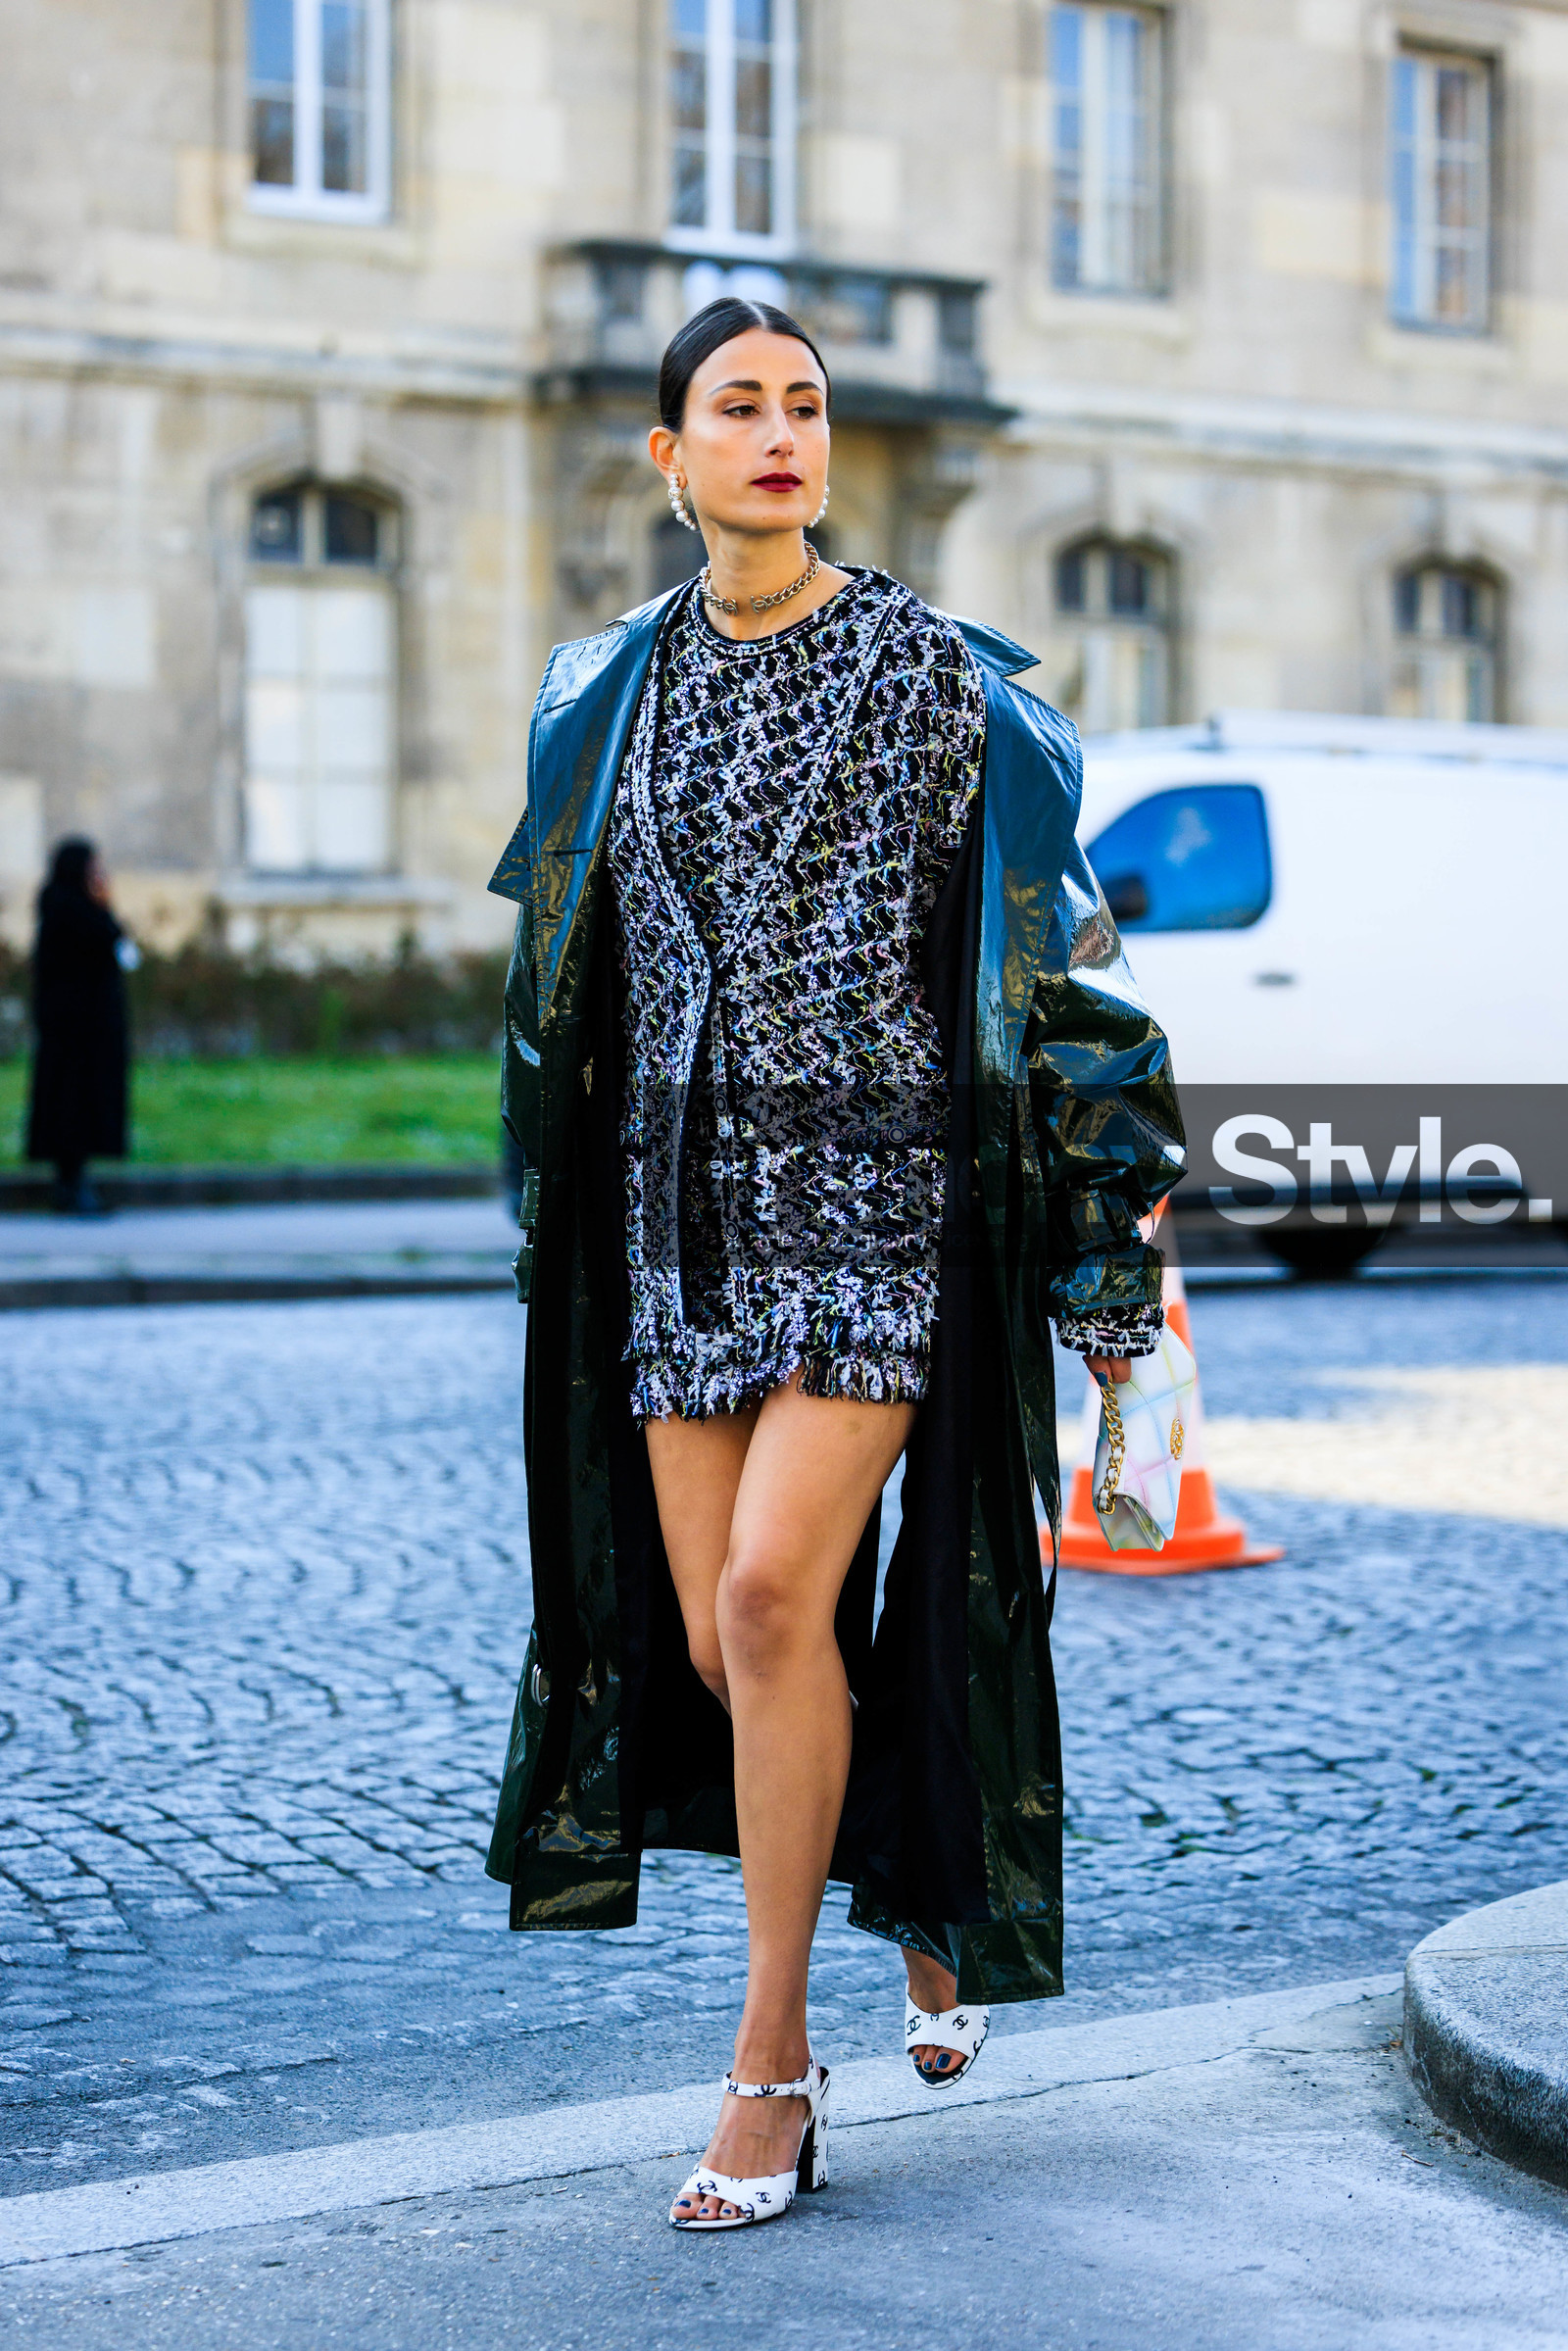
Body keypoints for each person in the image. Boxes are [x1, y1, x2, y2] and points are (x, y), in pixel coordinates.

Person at [484, 297, 1185, 2231]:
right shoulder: (600, 694)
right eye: (740, 406)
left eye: (803, 403)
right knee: (728, 1642)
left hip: (877, 1206)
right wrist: (550, 1212)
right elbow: (557, 980)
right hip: (675, 1222)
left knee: (773, 1589)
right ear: (671, 455)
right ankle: (918, 1878)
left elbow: (1059, 972)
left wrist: (1105, 1269)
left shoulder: (930, 676)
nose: (781, 431)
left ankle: (770, 2066)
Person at [25, 838, 133, 1216]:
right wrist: (105, 907)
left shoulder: (64, 907)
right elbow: (110, 941)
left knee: (76, 1107)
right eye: (94, 867)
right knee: (74, 1107)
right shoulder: (72, 911)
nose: (101, 875)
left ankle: (72, 1184)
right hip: (77, 1034)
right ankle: (71, 1186)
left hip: (80, 1031)